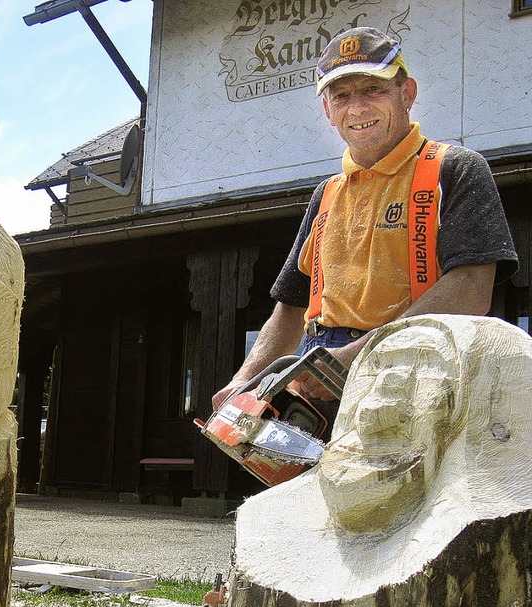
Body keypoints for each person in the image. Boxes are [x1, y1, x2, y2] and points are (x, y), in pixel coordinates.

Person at [212, 26, 518, 424]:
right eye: (341, 96)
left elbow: (473, 290)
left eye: (373, 89)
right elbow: (292, 307)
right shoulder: (327, 193)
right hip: (319, 373)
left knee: (397, 487)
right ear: (328, 111)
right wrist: (244, 380)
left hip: (415, 368)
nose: (356, 108)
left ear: (406, 94)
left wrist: (355, 357)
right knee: (304, 482)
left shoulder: (454, 169)